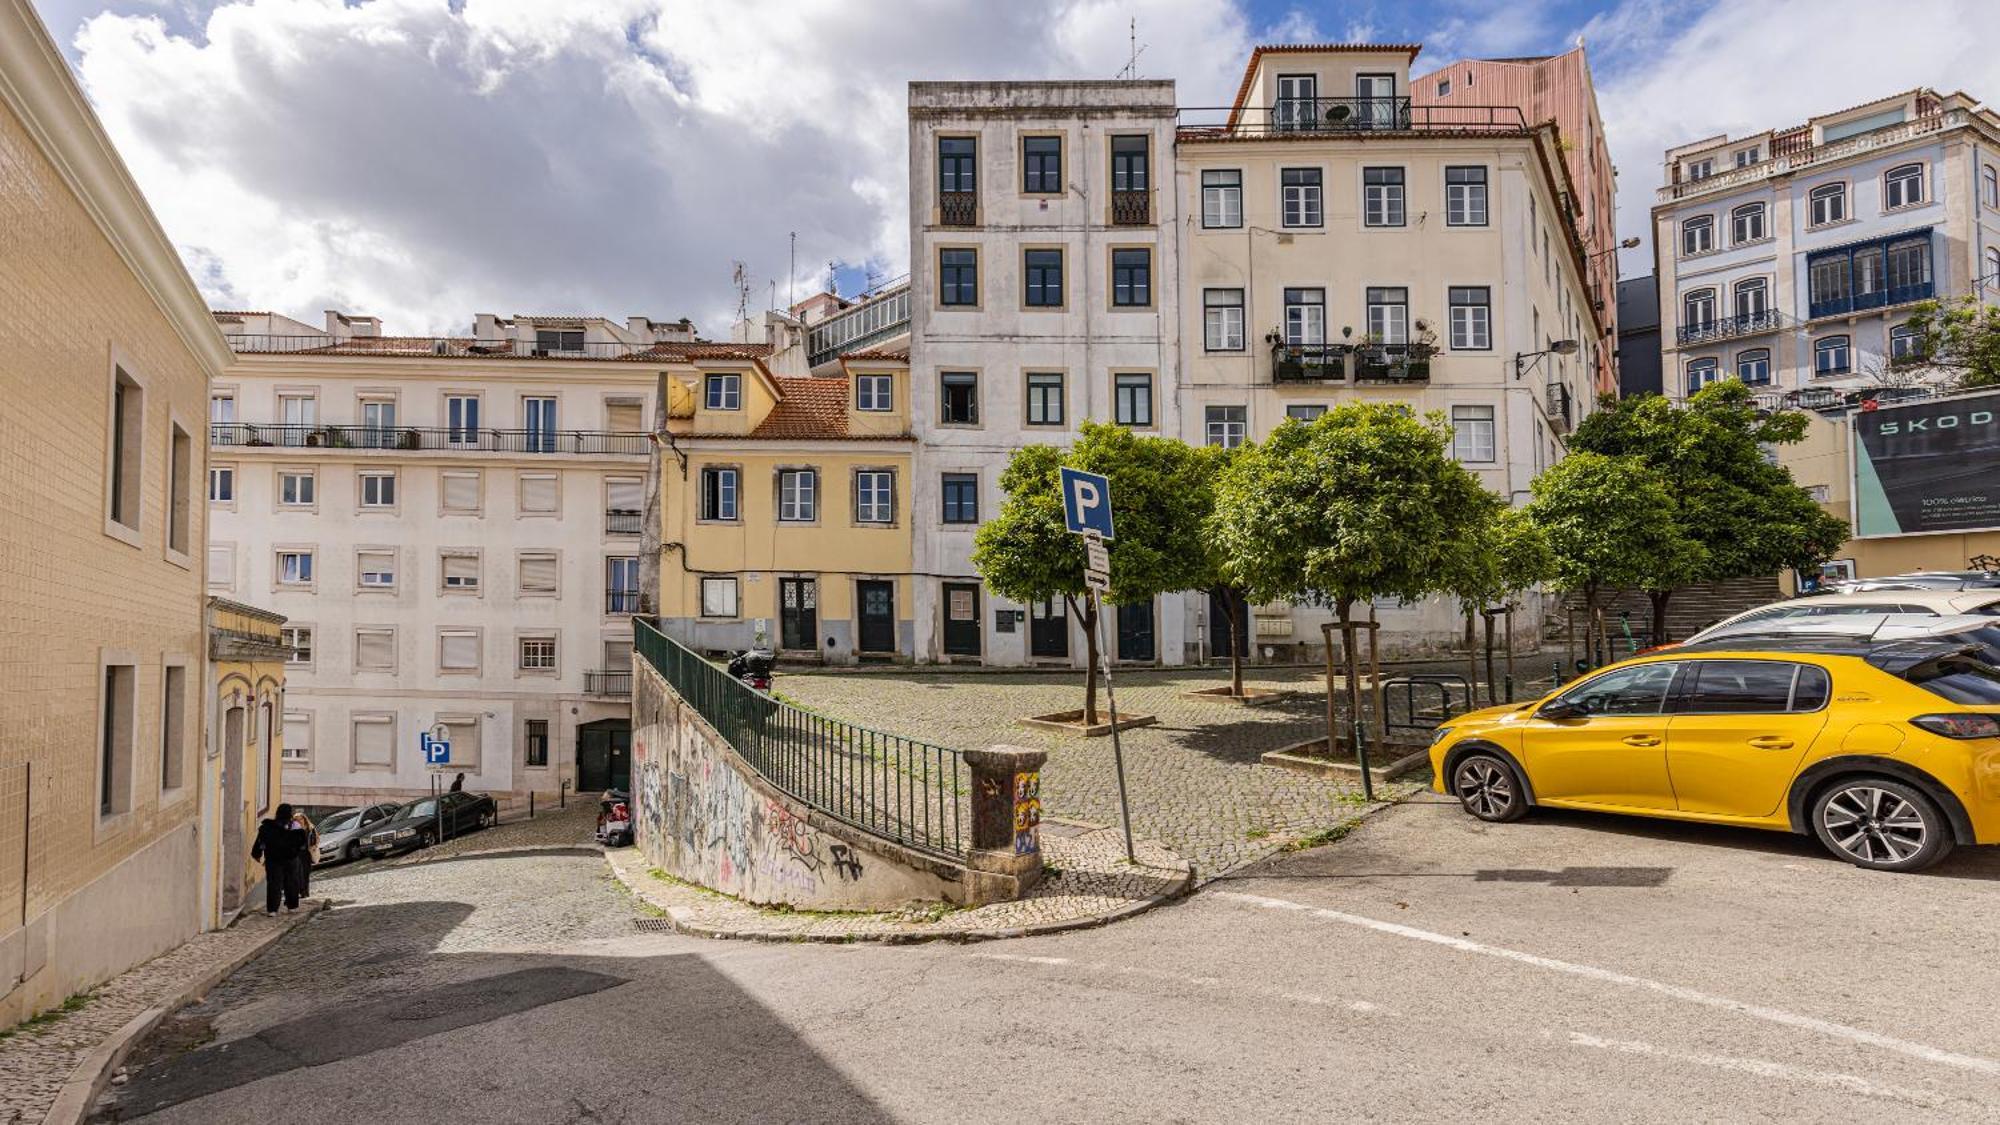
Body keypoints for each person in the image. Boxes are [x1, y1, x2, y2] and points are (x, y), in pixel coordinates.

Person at [250, 803, 308, 914]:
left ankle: (272, 910)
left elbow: (261, 842)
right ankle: (292, 906)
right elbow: (302, 844)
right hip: (290, 860)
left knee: (274, 883)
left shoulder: (267, 827)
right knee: (291, 882)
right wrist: (295, 851)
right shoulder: (295, 827)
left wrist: (257, 854)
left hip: (273, 860)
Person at [290, 808, 318, 897]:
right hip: (296, 854)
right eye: (296, 820)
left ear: (304, 819)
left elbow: (316, 839)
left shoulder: (310, 828)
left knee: (306, 873)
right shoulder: (293, 829)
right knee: (297, 873)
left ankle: (306, 892)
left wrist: (314, 846)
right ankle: (301, 891)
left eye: (300, 819)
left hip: (306, 853)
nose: (299, 821)